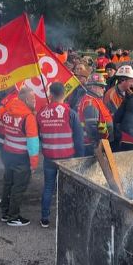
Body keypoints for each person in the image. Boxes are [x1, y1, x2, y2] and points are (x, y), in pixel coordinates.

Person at [37, 82, 84, 228]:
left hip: (49, 157)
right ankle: (67, 217)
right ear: (65, 95)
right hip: (67, 158)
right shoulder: (71, 113)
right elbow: (79, 139)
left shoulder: (41, 112)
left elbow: (38, 135)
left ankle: (45, 218)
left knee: (49, 187)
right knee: (66, 189)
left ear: (50, 95)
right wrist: (80, 159)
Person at [0, 87, 39, 226]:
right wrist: (34, 164)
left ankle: (5, 213)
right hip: (21, 157)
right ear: (27, 100)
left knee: (8, 184)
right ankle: (13, 217)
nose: (35, 101)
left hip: (7, 153)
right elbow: (32, 144)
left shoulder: (8, 110)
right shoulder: (29, 118)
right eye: (33, 98)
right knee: (18, 187)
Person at [78, 73, 113, 156]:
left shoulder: (94, 99)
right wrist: (96, 145)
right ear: (93, 87)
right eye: (102, 86)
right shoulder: (90, 103)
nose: (104, 89)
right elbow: (92, 127)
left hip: (94, 143)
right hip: (91, 145)